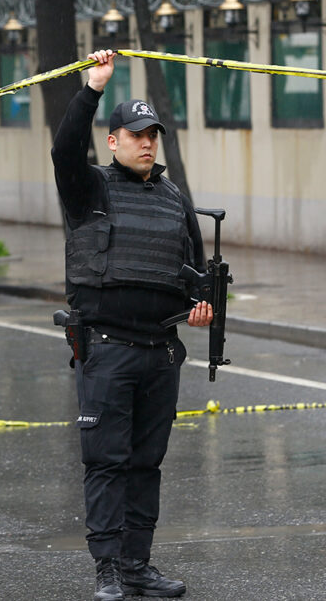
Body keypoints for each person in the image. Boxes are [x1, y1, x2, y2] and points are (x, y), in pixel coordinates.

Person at [51, 49, 213, 601]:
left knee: (147, 465)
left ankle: (138, 565)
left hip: (159, 352)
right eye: (136, 134)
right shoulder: (88, 189)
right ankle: (109, 571)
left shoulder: (174, 201)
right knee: (107, 463)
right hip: (107, 349)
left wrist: (201, 306)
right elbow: (62, 148)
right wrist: (92, 88)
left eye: (153, 135)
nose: (147, 143)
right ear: (113, 140)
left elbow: (192, 275)